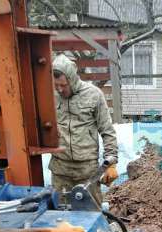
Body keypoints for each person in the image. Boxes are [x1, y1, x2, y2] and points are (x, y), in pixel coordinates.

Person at [49, 53, 118, 204]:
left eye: (63, 85)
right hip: (60, 171)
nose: (59, 90)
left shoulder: (94, 95)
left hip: (87, 172)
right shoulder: (50, 96)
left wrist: (111, 163)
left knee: (91, 215)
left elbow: (107, 130)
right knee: (60, 218)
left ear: (72, 79)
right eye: (56, 86)